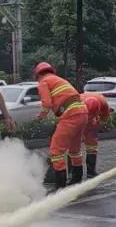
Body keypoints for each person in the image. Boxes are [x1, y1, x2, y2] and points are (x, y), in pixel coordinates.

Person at [34, 61, 88, 189]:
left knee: (56, 151)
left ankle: (60, 186)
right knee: (74, 150)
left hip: (70, 115)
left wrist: (40, 117)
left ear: (38, 75)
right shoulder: (58, 79)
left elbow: (46, 103)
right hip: (82, 112)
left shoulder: (43, 82)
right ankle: (76, 181)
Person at [81, 92, 111, 178]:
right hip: (78, 118)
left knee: (92, 145)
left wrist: (97, 125)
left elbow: (104, 118)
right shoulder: (78, 102)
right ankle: (72, 173)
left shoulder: (103, 103)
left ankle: (91, 171)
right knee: (74, 146)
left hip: (92, 123)